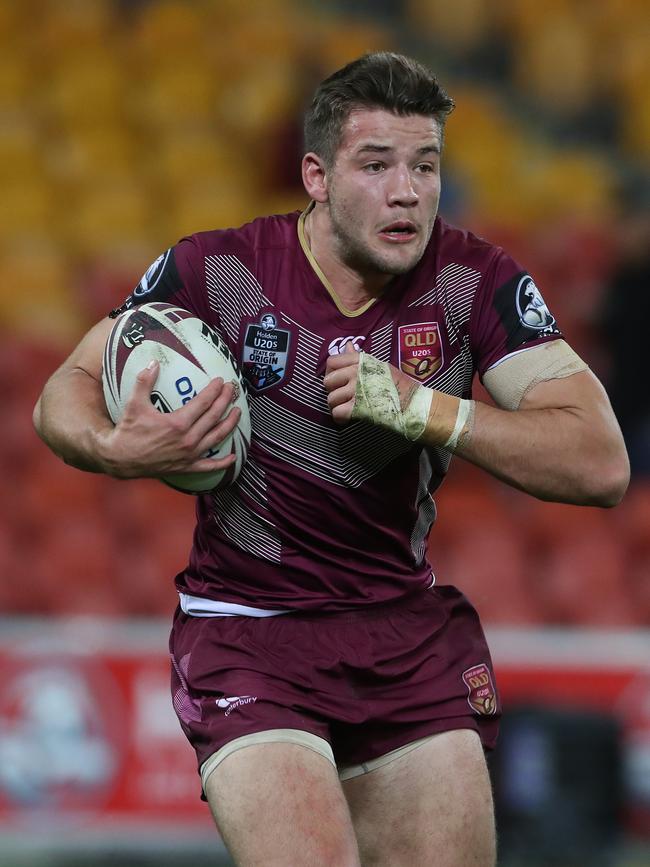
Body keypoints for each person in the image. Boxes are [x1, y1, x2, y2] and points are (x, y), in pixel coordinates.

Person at [34, 52, 629, 867]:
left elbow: (601, 462)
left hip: (405, 633)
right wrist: (113, 445)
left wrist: (425, 409)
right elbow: (62, 386)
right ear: (315, 174)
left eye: (425, 165)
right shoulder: (221, 270)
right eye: (376, 165)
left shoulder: (473, 282)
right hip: (248, 632)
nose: (408, 191)